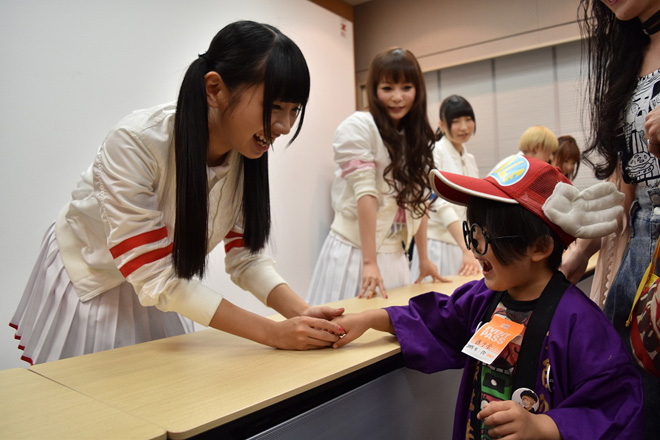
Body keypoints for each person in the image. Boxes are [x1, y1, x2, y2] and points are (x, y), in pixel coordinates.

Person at [8, 20, 346, 366]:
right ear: (215, 89)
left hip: (158, 281)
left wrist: (302, 312)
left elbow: (246, 258)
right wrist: (273, 333)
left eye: (294, 110)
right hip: (93, 275)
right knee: (93, 385)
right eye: (274, 107)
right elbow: (154, 274)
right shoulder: (135, 143)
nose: (285, 127)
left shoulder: (245, 152)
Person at [332, 156, 643, 439]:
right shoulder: (485, 297)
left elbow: (616, 406)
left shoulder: (580, 322)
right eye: (473, 233)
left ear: (539, 247)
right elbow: (437, 318)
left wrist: (543, 426)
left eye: (486, 237)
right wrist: (370, 319)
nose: (475, 249)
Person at [560, 2, 660, 437]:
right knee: (634, 401)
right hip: (641, 247)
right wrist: (581, 249)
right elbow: (628, 175)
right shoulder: (633, 49)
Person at [306, 47, 445, 305]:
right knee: (343, 322)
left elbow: (419, 200)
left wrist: (424, 258)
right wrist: (369, 262)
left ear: (418, 90)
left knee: (393, 324)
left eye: (406, 87)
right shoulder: (358, 126)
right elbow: (365, 193)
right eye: (387, 88)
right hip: (355, 252)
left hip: (396, 256)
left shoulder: (414, 134)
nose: (397, 97)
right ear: (373, 89)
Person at [410, 95, 481, 279]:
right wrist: (466, 248)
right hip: (438, 244)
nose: (464, 127)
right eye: (456, 121)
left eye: (468, 119)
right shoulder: (434, 152)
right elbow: (439, 203)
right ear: (441, 125)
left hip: (465, 245)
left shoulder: (469, 159)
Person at [489, 125, 558, 175]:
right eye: (549, 152)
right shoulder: (514, 166)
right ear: (536, 147)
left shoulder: (519, 163)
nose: (550, 158)